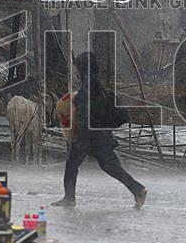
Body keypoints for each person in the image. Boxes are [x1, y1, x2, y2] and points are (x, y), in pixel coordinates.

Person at [52, 52, 147, 209]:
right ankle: (138, 190)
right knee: (110, 166)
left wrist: (78, 125)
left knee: (72, 165)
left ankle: (69, 199)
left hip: (89, 135)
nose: (75, 71)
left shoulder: (90, 85)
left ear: (82, 67)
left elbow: (89, 108)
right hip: (98, 135)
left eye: (77, 67)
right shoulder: (93, 83)